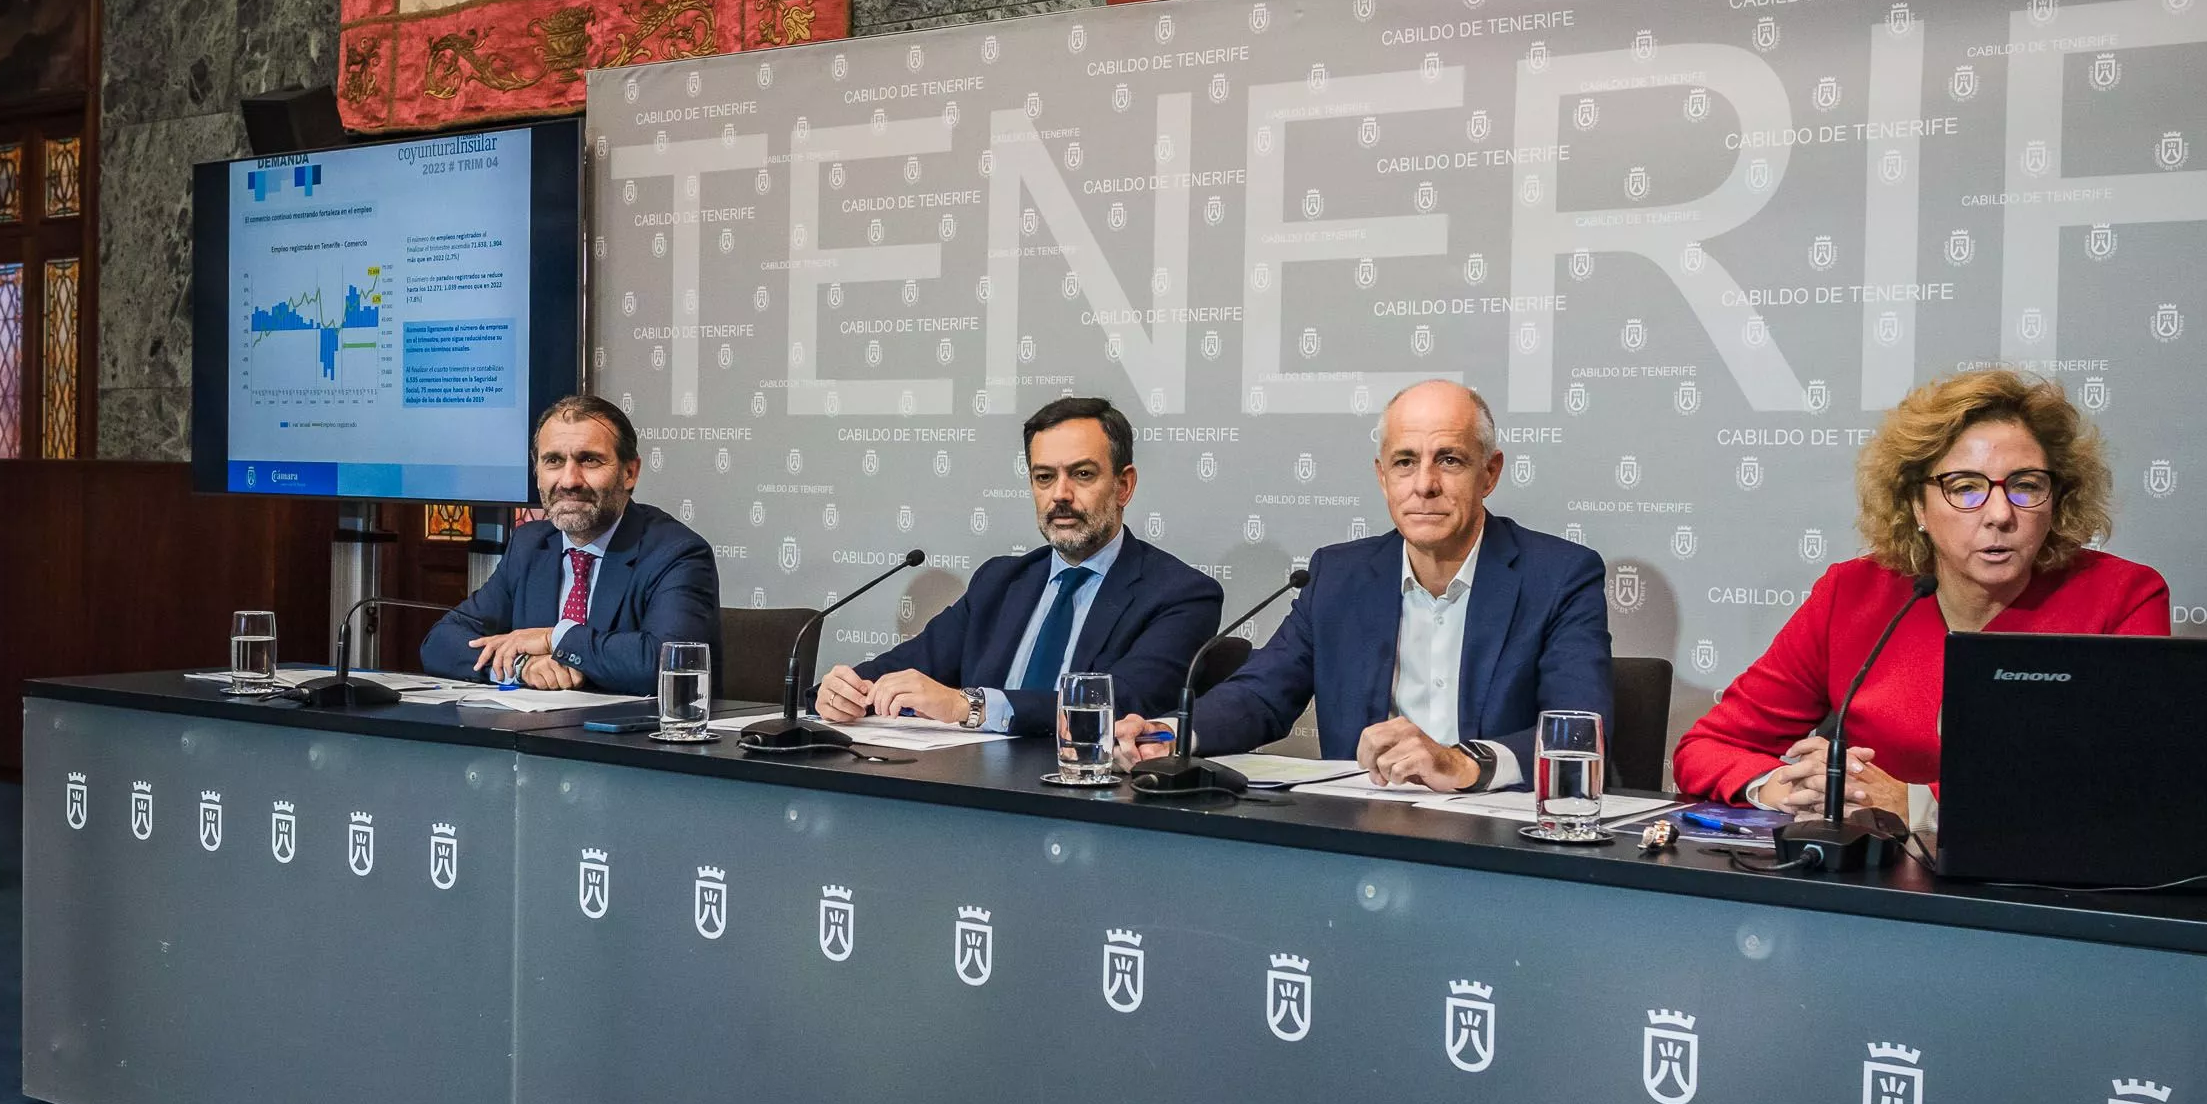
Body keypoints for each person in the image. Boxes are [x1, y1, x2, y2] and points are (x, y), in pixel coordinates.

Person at [1672, 367, 2168, 824]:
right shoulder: (1852, 594)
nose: (2000, 514)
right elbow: (1707, 746)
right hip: (1874, 878)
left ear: (2056, 500)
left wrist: (1917, 806)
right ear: (1917, 507)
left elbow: (2131, 781)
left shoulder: (2122, 597)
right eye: (1965, 487)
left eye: (2026, 486)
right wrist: (1779, 786)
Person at [1115, 379, 1613, 791]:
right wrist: (1169, 734)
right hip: (1363, 831)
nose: (1424, 484)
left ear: (1490, 473)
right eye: (1405, 462)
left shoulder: (1559, 576)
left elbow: (1580, 728)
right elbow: (1261, 694)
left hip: (1503, 838)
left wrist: (1463, 764)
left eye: (1449, 460)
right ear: (1382, 476)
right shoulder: (1339, 576)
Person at [814, 396, 1222, 735]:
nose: (1060, 495)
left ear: (1124, 486)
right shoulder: (1001, 581)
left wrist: (968, 706)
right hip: (972, 784)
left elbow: (1126, 702)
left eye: (1082, 474)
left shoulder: (1180, 594)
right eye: (1044, 477)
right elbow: (907, 666)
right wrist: (844, 691)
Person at [420, 394, 720, 694]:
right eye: (553, 461)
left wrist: (555, 638)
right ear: (537, 470)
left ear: (629, 473)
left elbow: (671, 663)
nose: (568, 481)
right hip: (532, 722)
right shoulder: (530, 545)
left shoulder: (676, 553)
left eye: (589, 460)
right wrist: (523, 665)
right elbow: (440, 642)